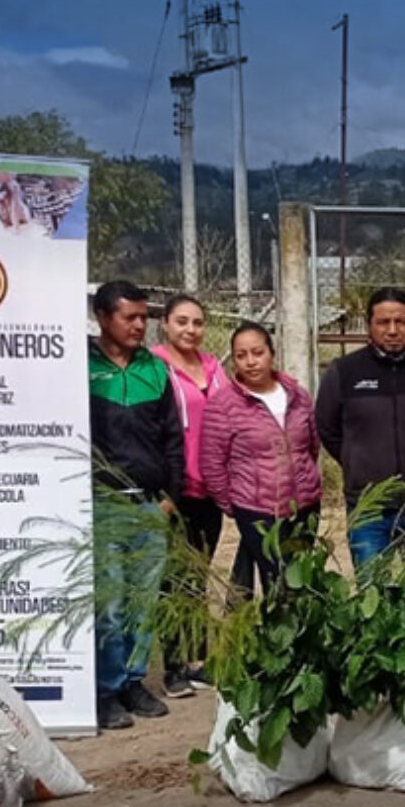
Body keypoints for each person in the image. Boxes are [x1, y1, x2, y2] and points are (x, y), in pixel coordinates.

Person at [87, 281, 186, 730]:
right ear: (102, 317)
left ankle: (133, 680)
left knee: (142, 602)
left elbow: (173, 438)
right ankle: (106, 690)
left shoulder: (155, 369)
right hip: (103, 506)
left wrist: (171, 496)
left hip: (149, 507)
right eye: (129, 317)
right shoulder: (80, 368)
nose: (139, 326)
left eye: (143, 317)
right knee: (109, 604)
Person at [314, 287, 405, 568]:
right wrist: (355, 461)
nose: (392, 330)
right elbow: (327, 427)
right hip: (368, 508)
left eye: (401, 322)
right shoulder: (344, 372)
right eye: (383, 322)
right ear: (369, 326)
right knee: (372, 593)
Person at [201, 322, 323, 594]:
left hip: (304, 506)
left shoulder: (298, 396)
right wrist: (237, 507)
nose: (250, 362)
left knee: (302, 579)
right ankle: (271, 635)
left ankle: (300, 636)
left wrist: (307, 483)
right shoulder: (223, 405)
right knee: (277, 584)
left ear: (272, 353)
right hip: (257, 511)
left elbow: (312, 446)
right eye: (241, 355)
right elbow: (212, 464)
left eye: (257, 352)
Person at [148, 294, 227, 699]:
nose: (190, 330)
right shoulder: (153, 367)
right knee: (172, 580)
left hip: (209, 491)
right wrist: (165, 489)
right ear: (165, 323)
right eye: (182, 322)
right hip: (173, 492)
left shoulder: (215, 368)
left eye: (197, 322)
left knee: (198, 577)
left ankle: (198, 661)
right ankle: (174, 665)